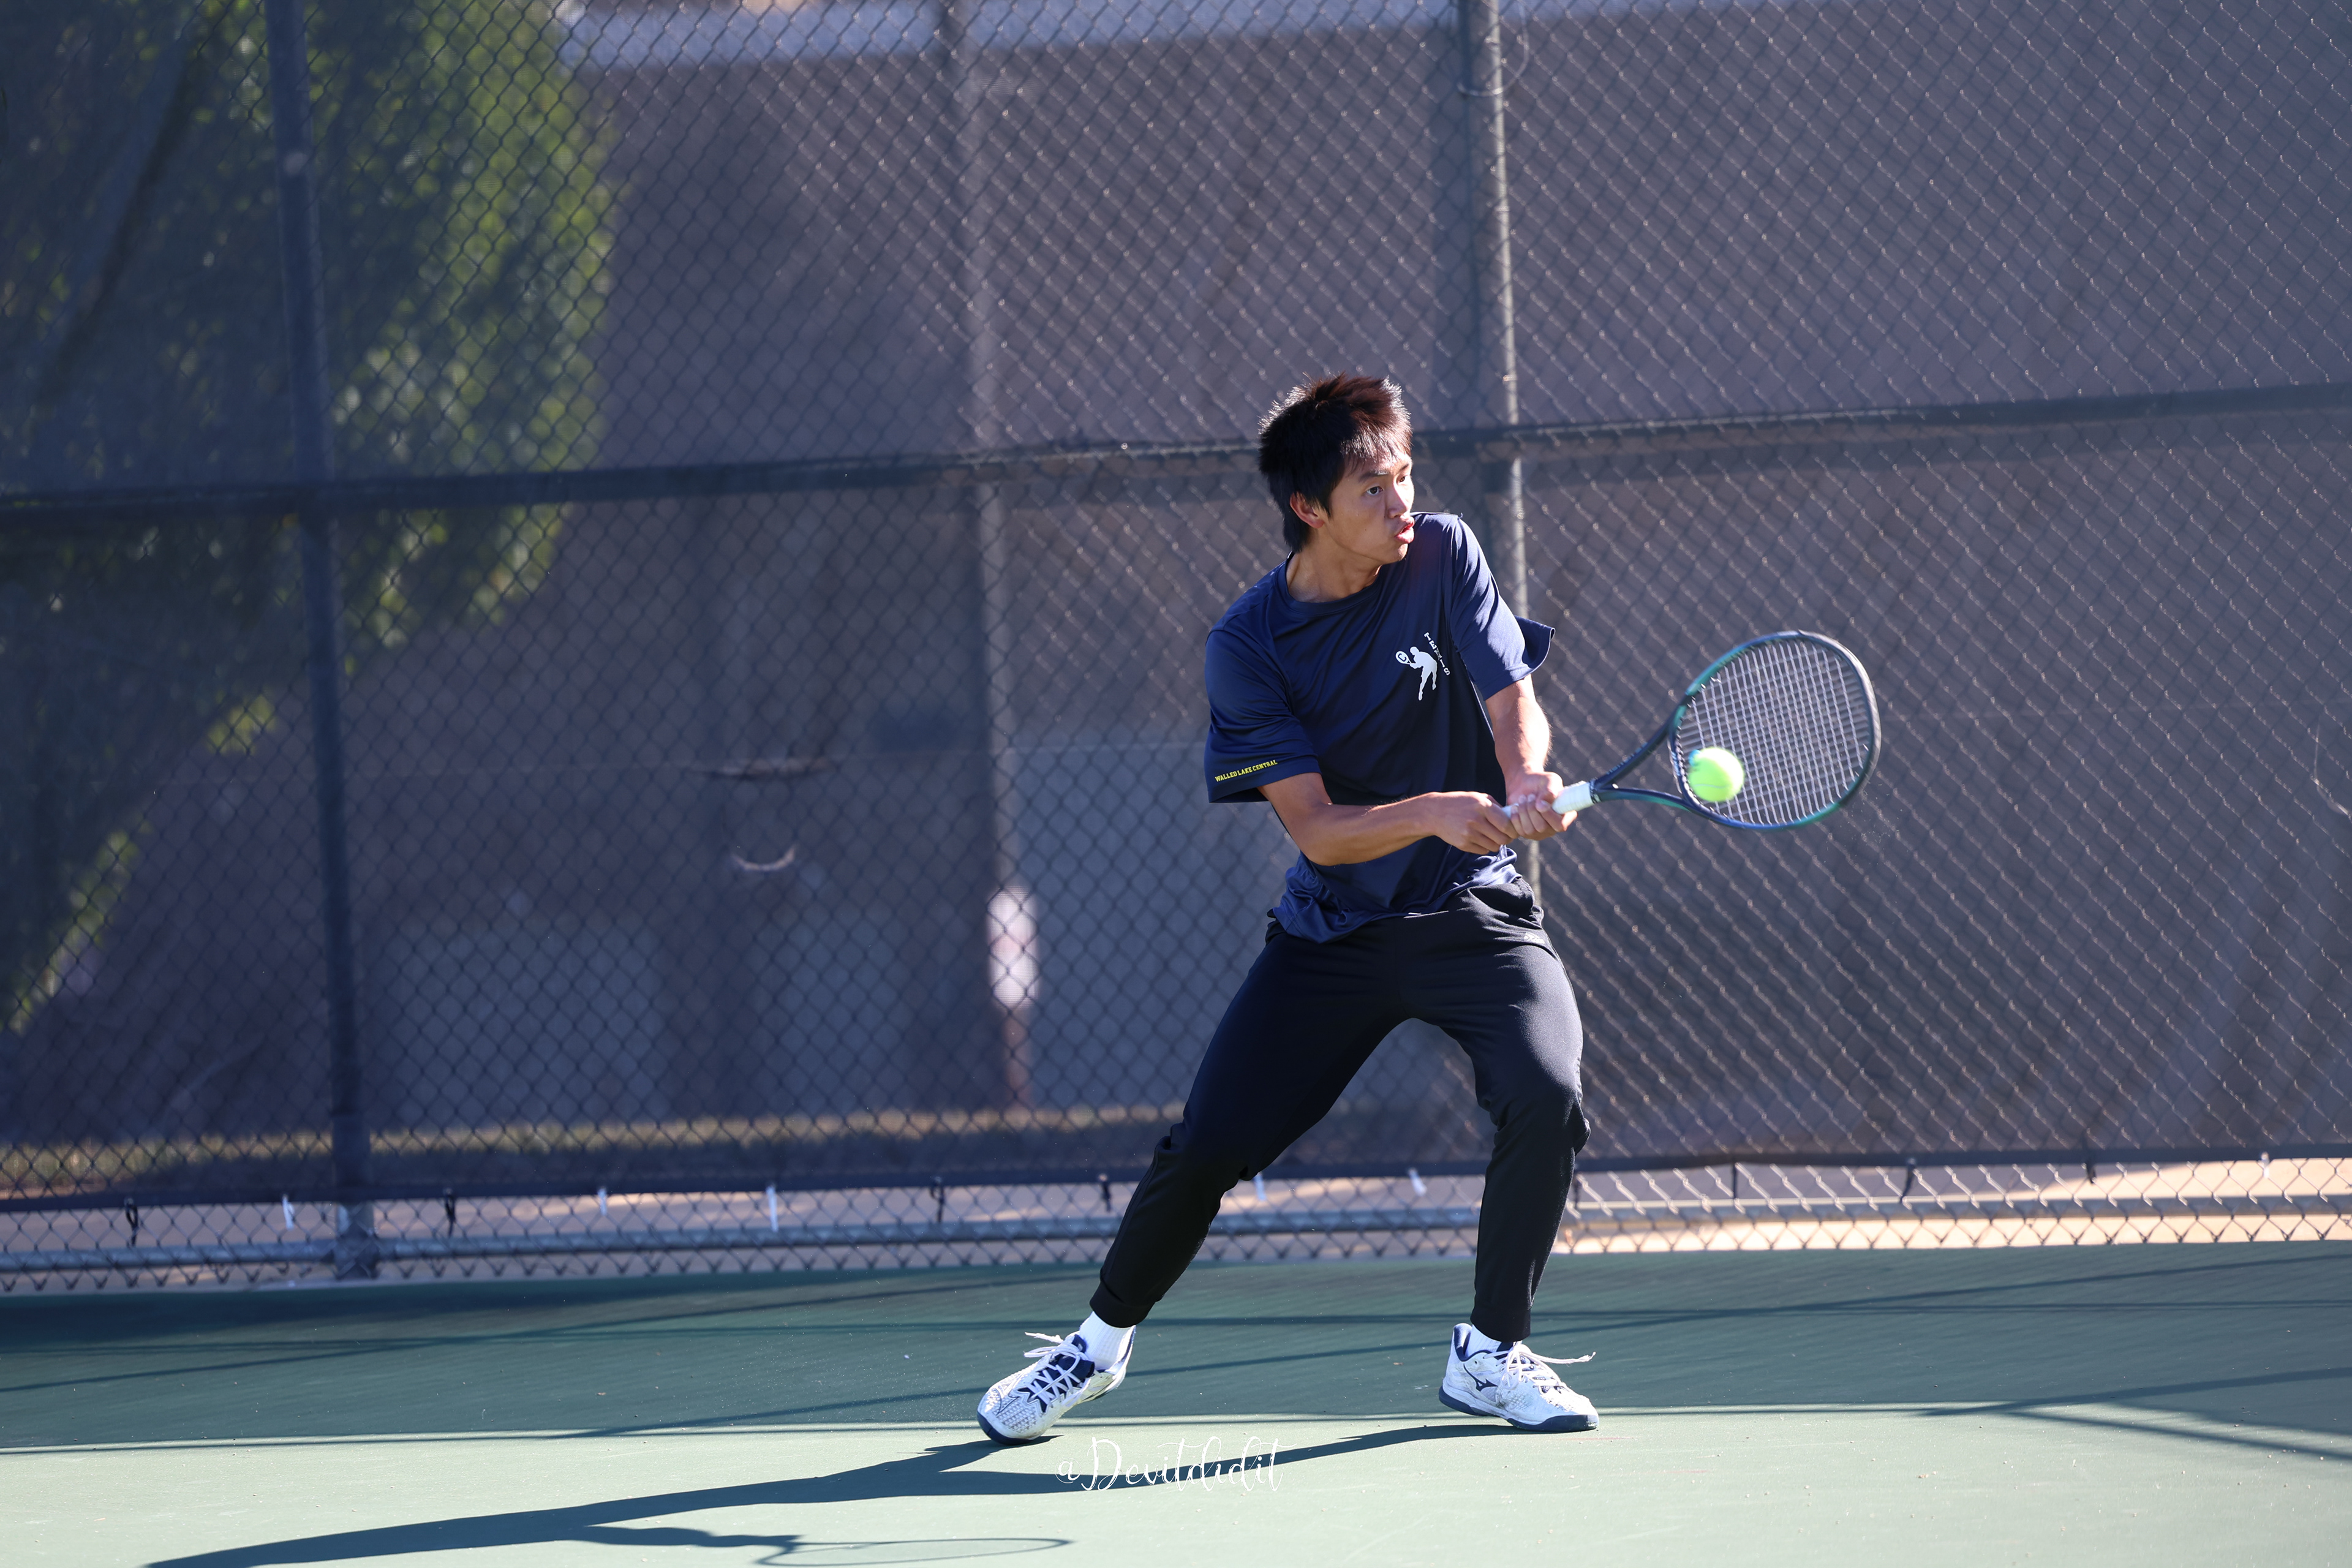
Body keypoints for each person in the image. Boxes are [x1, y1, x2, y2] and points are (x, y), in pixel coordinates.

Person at [974, 374, 1594, 1442]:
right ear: (1309, 508)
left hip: (1473, 912)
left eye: (1405, 477)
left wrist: (1525, 776)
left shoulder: (1444, 552)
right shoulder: (1248, 646)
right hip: (1333, 935)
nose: (1401, 504)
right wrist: (1438, 811)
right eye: (1373, 490)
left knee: (1547, 1097)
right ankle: (1095, 1346)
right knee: (1208, 1146)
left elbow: (1510, 696)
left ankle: (1492, 1355)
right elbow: (1317, 831)